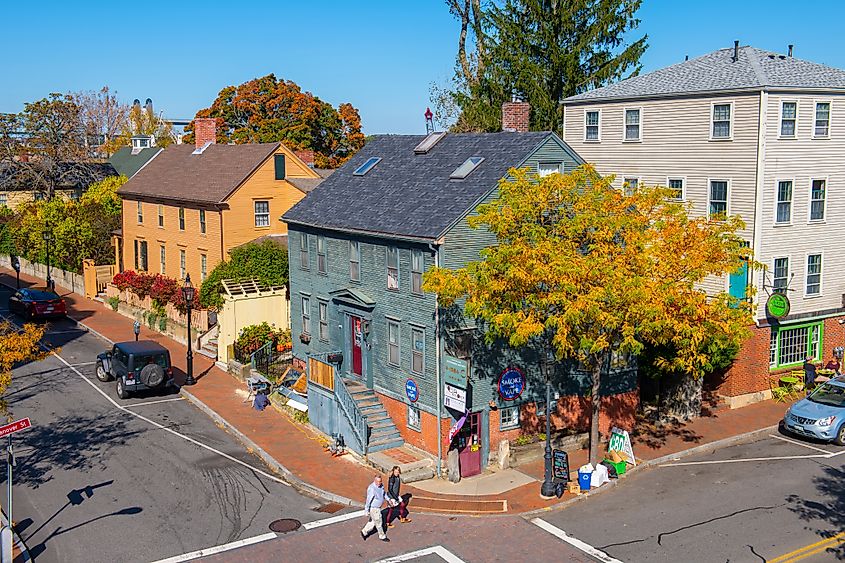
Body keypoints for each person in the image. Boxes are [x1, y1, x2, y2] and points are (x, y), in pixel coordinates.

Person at [361, 475, 389, 542]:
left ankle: (364, 531)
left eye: (380, 481)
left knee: (373, 521)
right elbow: (368, 500)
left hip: (377, 508)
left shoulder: (381, 486)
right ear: (375, 481)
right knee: (379, 522)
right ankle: (382, 536)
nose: (379, 483)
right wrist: (366, 510)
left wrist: (388, 499)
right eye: (378, 481)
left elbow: (383, 493)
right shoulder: (372, 489)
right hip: (374, 509)